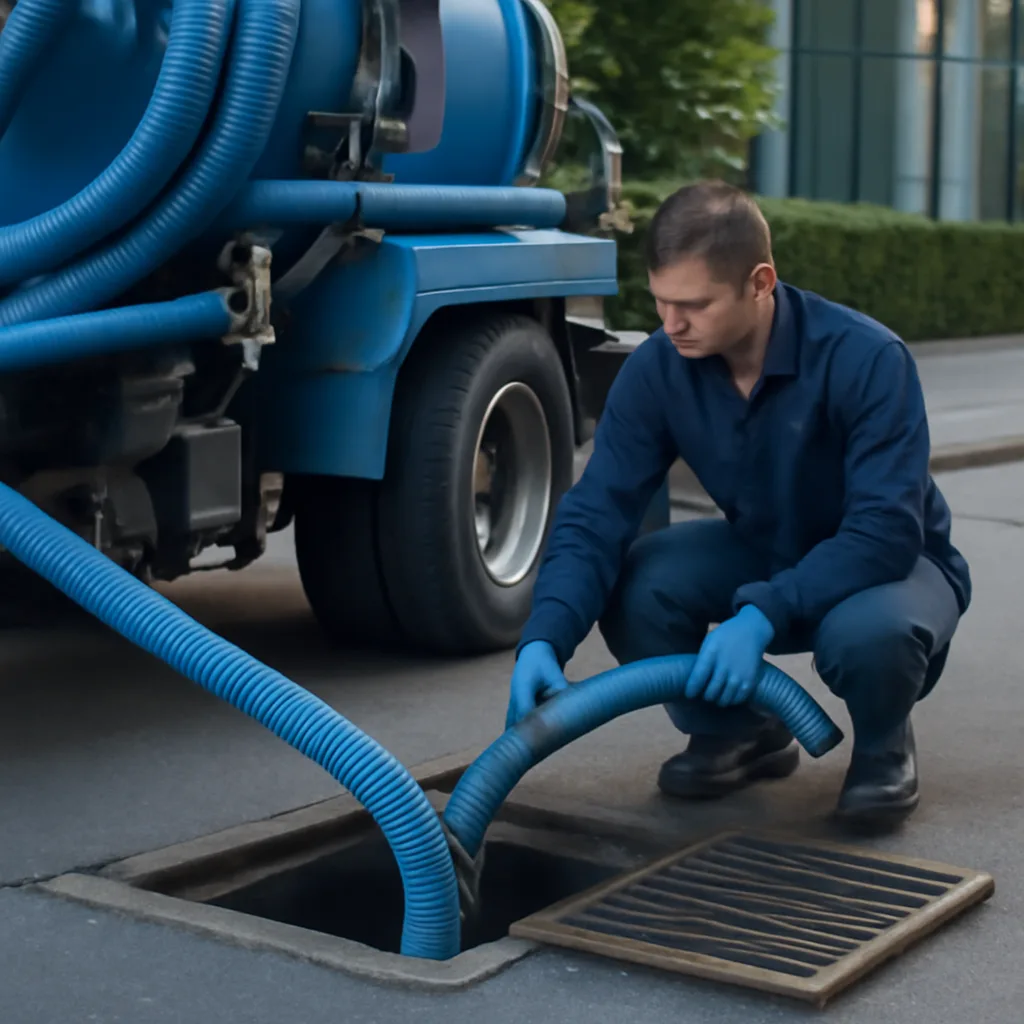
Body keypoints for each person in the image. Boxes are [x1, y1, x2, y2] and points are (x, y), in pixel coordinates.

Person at [505, 180, 971, 828]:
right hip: (767, 545)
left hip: (891, 563)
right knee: (636, 584)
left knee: (870, 636)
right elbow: (597, 512)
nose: (671, 325)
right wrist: (544, 638)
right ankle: (736, 732)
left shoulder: (867, 359)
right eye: (661, 302)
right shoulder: (661, 366)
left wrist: (761, 614)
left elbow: (886, 530)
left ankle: (883, 744)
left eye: (694, 305)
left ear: (760, 282)